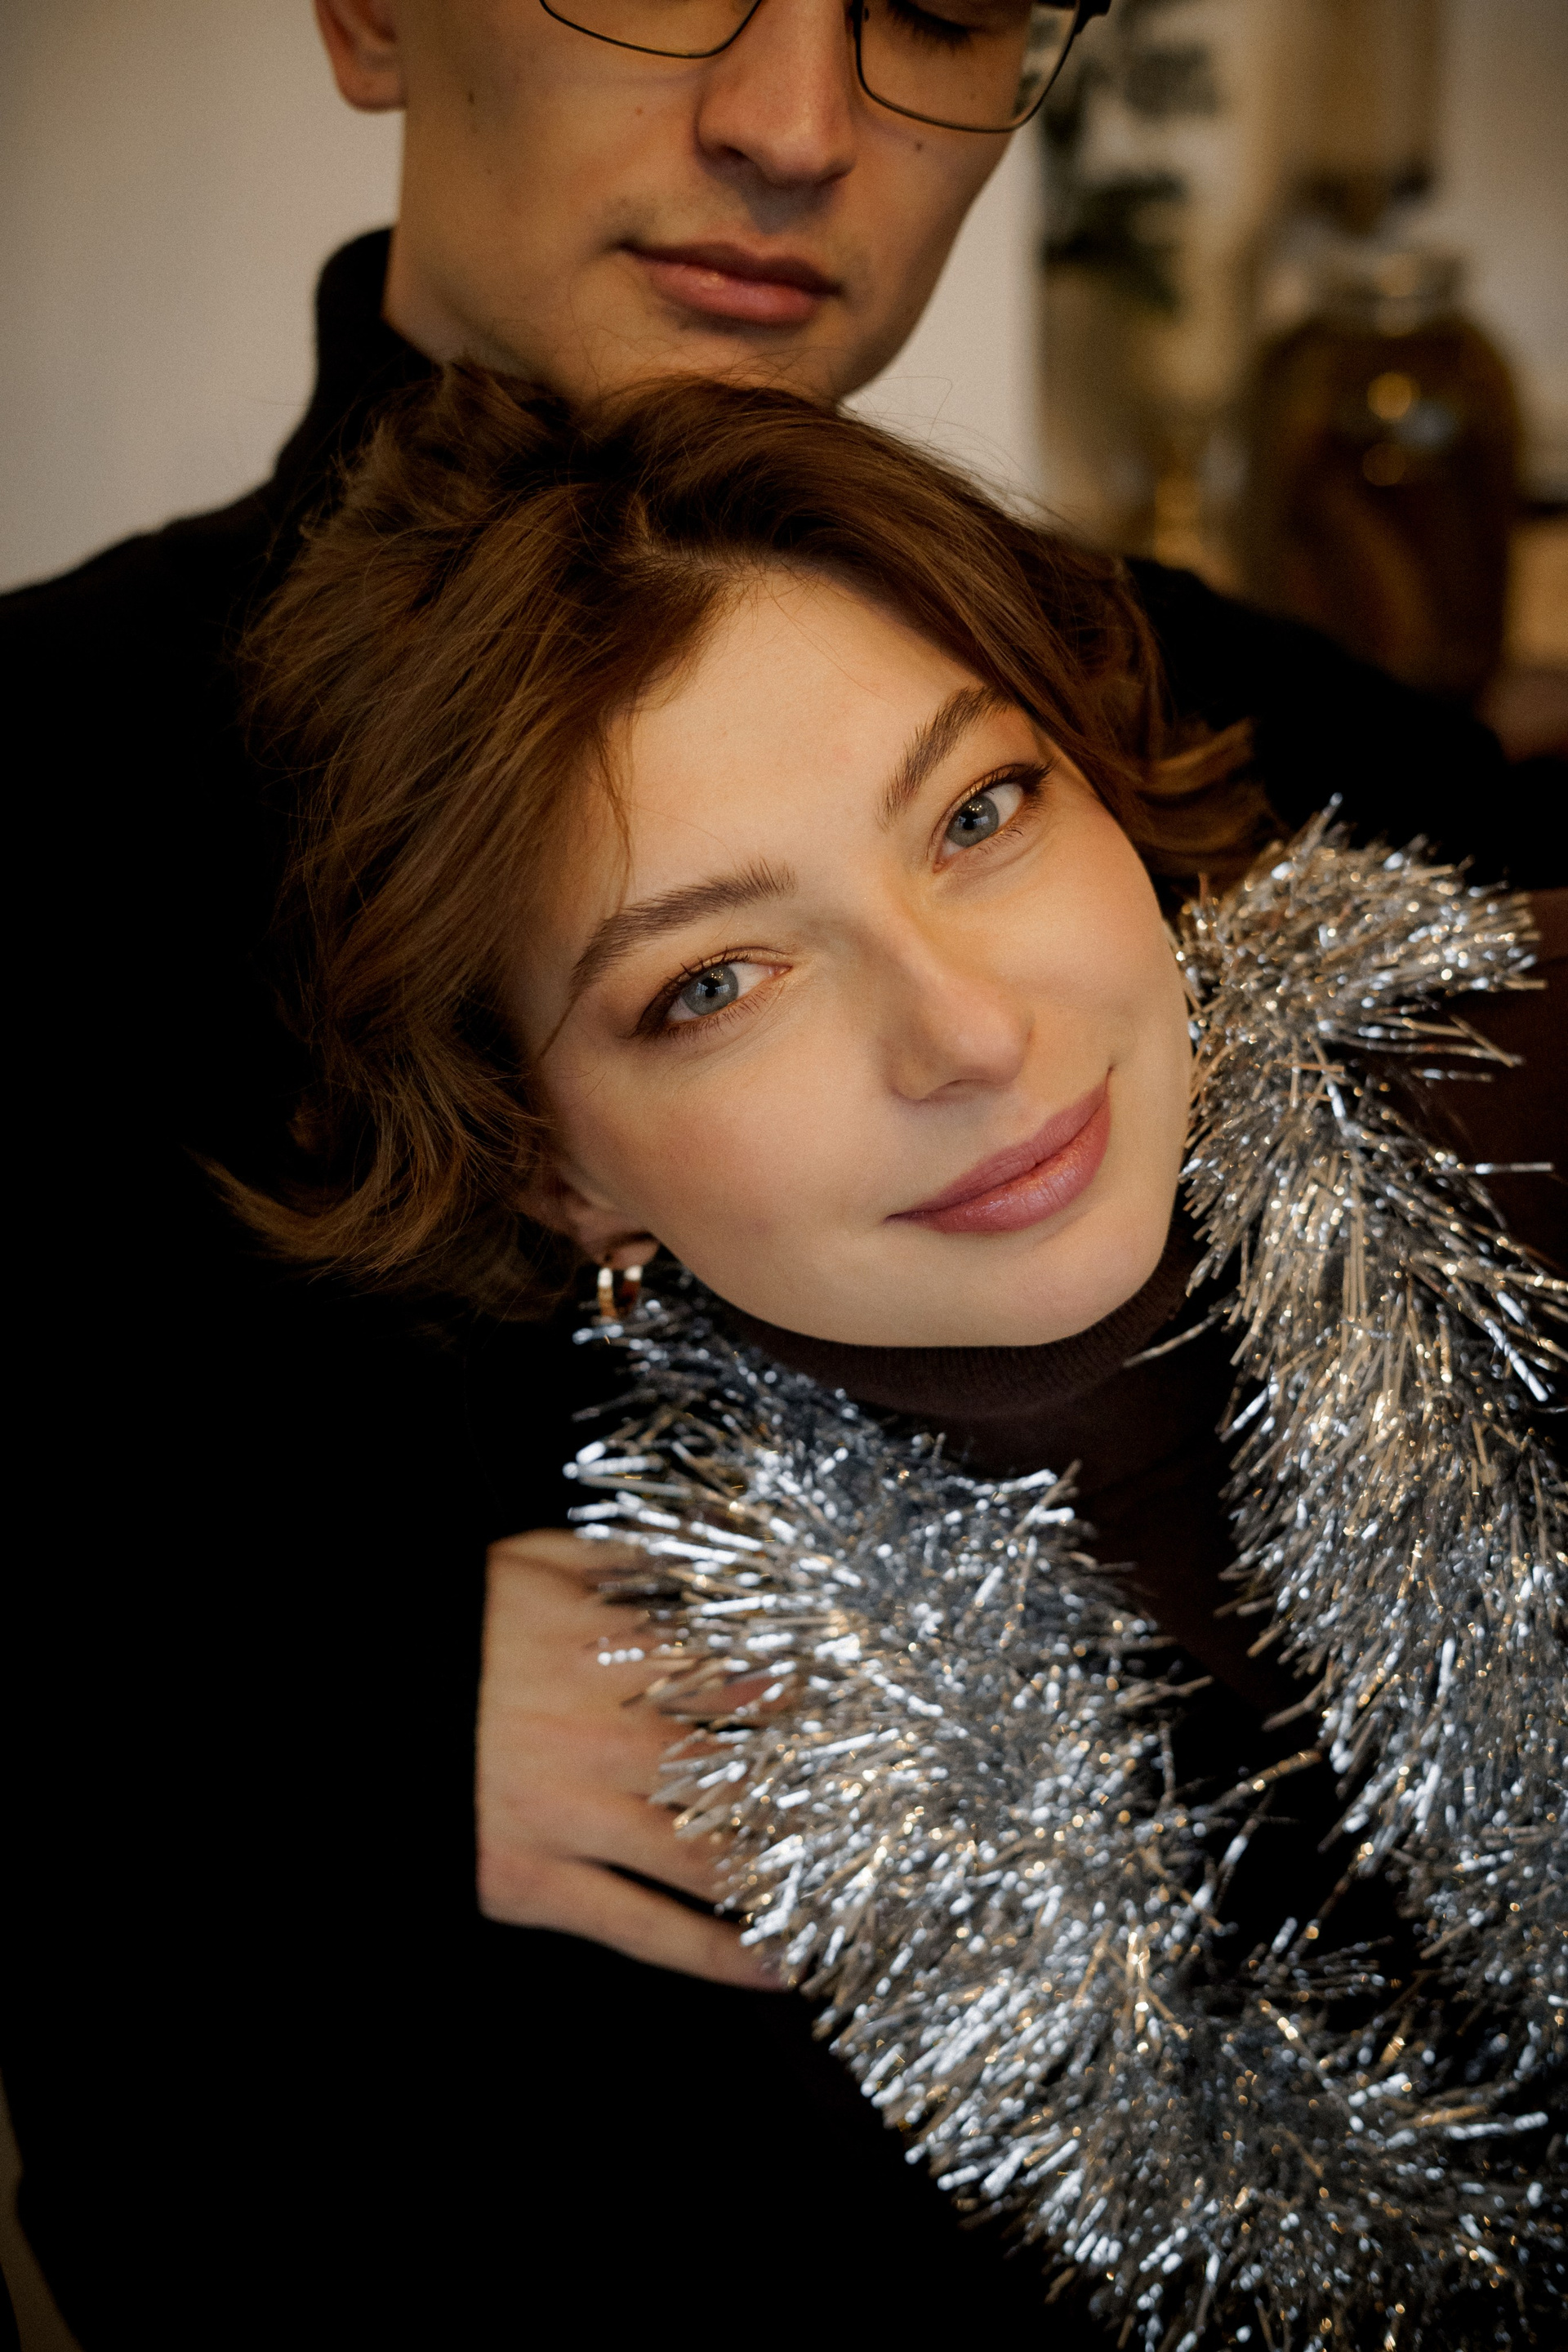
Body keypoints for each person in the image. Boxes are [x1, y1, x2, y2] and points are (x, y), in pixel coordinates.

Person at [2, 2, 1560, 2343]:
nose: (797, 124)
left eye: (933, 3)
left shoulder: (1289, 749)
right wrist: (286, 1713)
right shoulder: (30, 799)